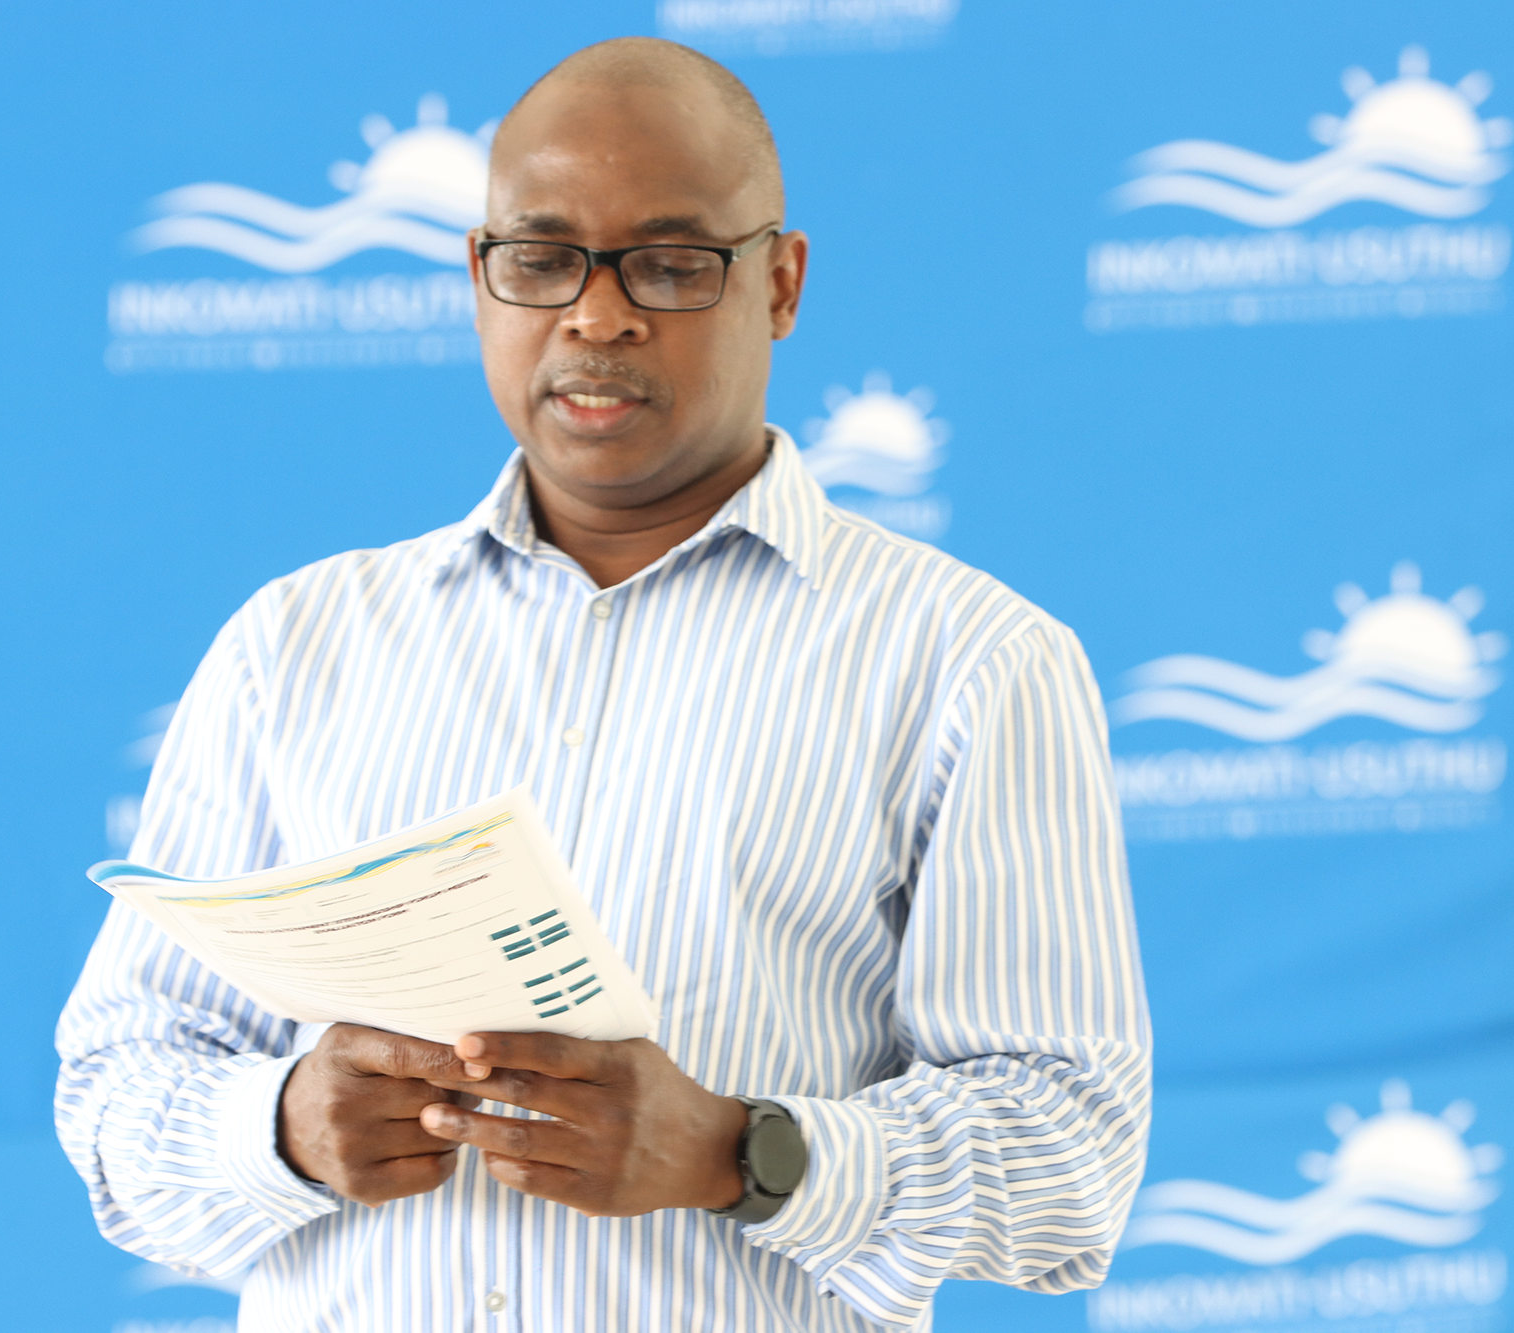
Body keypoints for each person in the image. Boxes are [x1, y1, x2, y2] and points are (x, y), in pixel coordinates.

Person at [56, 36, 1150, 1333]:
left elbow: (1070, 1159)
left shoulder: (969, 658)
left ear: (781, 283)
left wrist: (742, 1154)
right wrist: (282, 1128)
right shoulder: (295, 643)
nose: (597, 315)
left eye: (672, 265)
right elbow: (118, 1090)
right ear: (480, 276)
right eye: (542, 259)